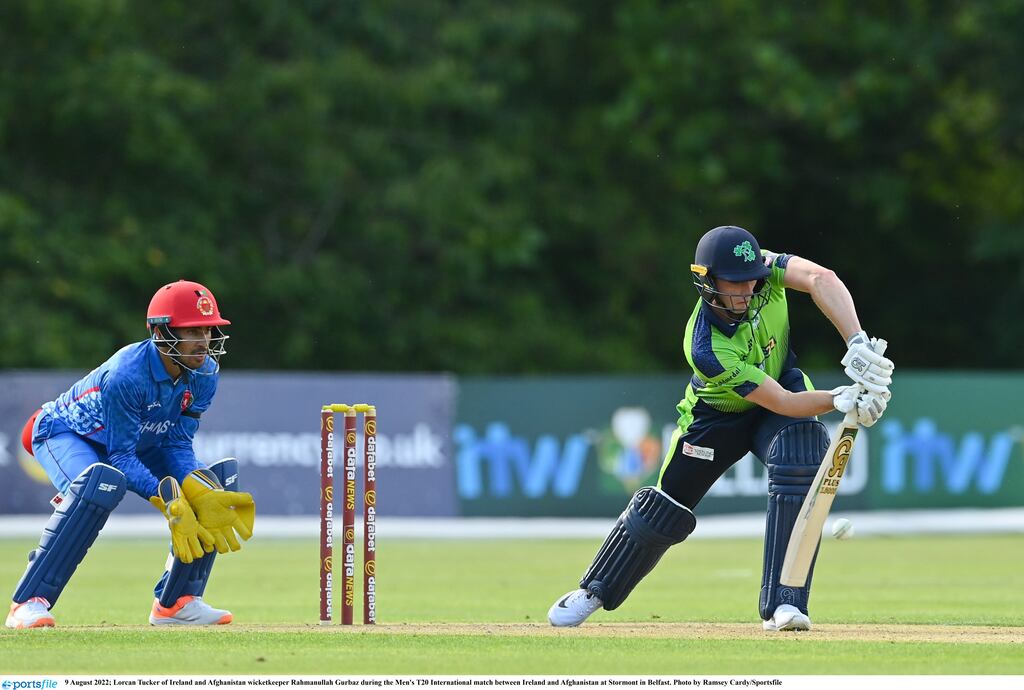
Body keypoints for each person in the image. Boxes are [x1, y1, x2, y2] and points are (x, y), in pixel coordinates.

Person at [547, 225, 893, 631]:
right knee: (665, 509)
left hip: (780, 384)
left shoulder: (761, 270)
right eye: (736, 283)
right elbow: (780, 400)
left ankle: (786, 604)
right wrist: (840, 399)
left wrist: (857, 343)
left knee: (800, 454)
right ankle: (595, 590)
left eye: (752, 281)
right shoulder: (705, 348)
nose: (748, 290)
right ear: (706, 281)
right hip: (718, 415)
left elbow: (822, 278)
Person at [6, 279, 256, 629]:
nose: (204, 341)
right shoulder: (127, 374)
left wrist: (193, 489)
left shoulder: (205, 373)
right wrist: (166, 498)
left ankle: (177, 603)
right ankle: (28, 603)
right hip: (65, 433)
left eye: (208, 329)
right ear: (163, 333)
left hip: (140, 440)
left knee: (211, 486)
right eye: (192, 331)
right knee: (98, 488)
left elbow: (178, 442)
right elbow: (119, 457)